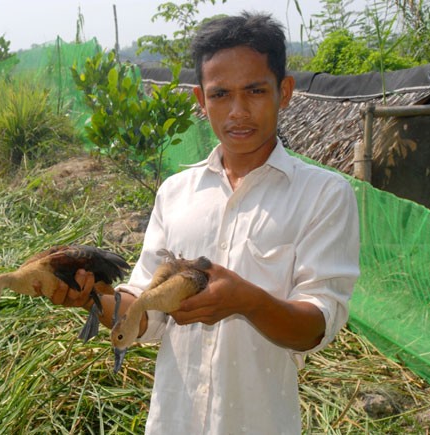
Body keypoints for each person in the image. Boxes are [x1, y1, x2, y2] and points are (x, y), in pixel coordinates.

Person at [50, 11, 360, 434]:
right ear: (200, 98)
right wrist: (90, 299)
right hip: (172, 422)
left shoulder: (323, 195)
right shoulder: (176, 193)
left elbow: (315, 327)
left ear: (284, 92)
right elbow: (146, 311)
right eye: (219, 95)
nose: (237, 111)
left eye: (255, 90)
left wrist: (247, 300)